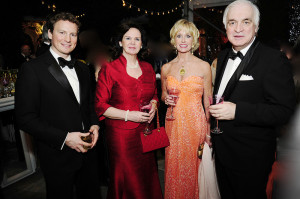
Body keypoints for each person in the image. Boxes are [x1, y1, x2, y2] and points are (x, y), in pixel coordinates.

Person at [209, 1, 296, 198]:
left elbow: (284, 111)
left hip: (251, 158)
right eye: (232, 22)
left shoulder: (273, 59)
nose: (238, 28)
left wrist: (238, 111)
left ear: (256, 27)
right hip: (222, 154)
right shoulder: (222, 57)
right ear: (226, 27)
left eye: (245, 22)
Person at [15, 12, 100, 199]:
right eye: (62, 33)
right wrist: (65, 138)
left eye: (73, 34)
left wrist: (95, 124)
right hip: (57, 155)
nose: (68, 39)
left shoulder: (83, 68)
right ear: (50, 34)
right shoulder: (32, 69)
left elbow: (89, 104)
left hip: (88, 152)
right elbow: (25, 118)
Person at [94, 20, 163, 199]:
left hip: (146, 132)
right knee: (127, 178)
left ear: (142, 43)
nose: (132, 42)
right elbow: (100, 106)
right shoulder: (109, 69)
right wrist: (128, 115)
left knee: (147, 175)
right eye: (128, 38)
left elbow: (154, 95)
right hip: (121, 136)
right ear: (120, 42)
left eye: (137, 39)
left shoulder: (148, 68)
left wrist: (154, 105)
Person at [161, 19, 212, 199]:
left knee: (193, 168)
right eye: (179, 35)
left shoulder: (204, 66)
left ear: (194, 40)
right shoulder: (166, 68)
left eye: (188, 36)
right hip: (173, 124)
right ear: (174, 39)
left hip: (195, 124)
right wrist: (165, 98)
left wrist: (208, 131)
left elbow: (208, 102)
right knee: (173, 167)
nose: (183, 40)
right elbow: (162, 96)